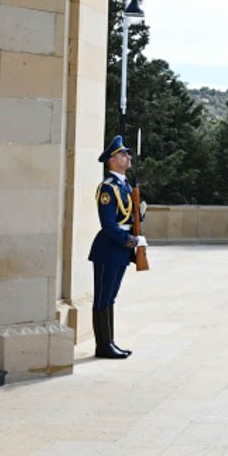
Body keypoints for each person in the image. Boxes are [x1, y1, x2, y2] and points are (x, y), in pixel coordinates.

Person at [87, 136, 146, 359]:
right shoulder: (108, 188)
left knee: (111, 297)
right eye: (123, 154)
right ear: (112, 161)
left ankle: (109, 342)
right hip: (108, 249)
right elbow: (109, 225)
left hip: (120, 250)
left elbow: (130, 218)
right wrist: (131, 241)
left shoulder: (125, 185)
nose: (128, 157)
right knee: (102, 297)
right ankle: (102, 345)